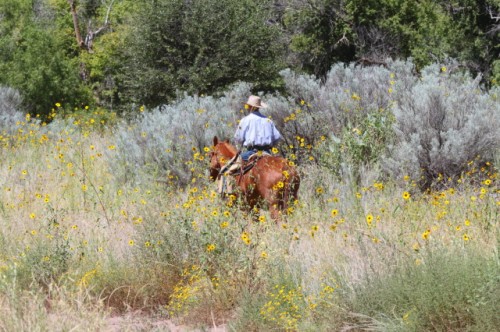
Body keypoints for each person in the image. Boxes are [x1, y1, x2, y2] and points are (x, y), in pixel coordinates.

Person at [234, 95, 282, 161]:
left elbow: (238, 138)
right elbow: (277, 137)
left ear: (250, 107)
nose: (247, 107)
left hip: (251, 152)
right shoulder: (268, 120)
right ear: (259, 107)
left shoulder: (245, 120)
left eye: (248, 106)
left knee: (235, 163)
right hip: (267, 152)